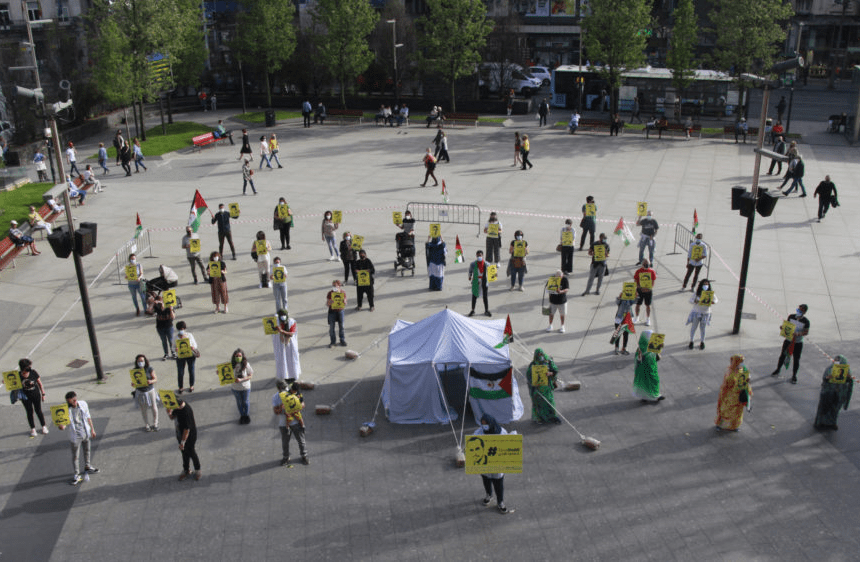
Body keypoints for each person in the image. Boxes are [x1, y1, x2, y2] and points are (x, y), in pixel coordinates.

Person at [471, 413, 511, 514]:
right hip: (485, 464)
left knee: (498, 483)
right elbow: (472, 443)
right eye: (483, 424)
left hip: (497, 464)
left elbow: (507, 445)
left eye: (486, 424)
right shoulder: (479, 432)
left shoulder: (502, 432)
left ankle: (500, 502)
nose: (484, 426)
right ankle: (489, 495)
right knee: (486, 480)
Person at [58, 391, 99, 486]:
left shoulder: (83, 404)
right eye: (70, 402)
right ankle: (76, 474)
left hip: (85, 432)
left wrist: (92, 430)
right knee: (75, 456)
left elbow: (88, 417)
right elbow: (64, 423)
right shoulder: (66, 410)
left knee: (87, 450)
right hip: (75, 436)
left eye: (74, 400)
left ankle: (88, 466)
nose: (73, 403)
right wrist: (62, 427)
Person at [771, 304, 810, 384]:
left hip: (798, 343)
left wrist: (798, 334)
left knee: (796, 359)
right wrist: (782, 328)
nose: (799, 311)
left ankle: (794, 375)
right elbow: (786, 326)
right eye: (798, 309)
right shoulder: (791, 317)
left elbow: (806, 332)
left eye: (801, 310)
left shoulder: (806, 321)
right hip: (788, 340)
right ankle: (778, 369)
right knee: (782, 355)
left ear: (804, 312)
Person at [273, 381, 309, 466]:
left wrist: (293, 410)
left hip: (296, 422)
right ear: (279, 389)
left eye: (286, 388)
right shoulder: (276, 397)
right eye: (283, 388)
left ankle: (304, 456)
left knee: (301, 441)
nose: (285, 390)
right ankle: (286, 457)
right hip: (283, 423)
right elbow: (276, 412)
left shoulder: (294, 393)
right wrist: (281, 409)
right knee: (285, 442)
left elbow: (303, 405)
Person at [814, 355, 853, 430]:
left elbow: (849, 382)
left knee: (835, 409)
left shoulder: (847, 371)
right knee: (824, 408)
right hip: (828, 392)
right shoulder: (829, 369)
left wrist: (848, 378)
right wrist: (828, 378)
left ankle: (832, 423)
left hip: (839, 394)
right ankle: (820, 422)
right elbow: (824, 379)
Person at [715, 355, 752, 431]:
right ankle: (720, 425)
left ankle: (734, 426)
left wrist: (747, 382)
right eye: (740, 361)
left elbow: (745, 381)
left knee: (737, 413)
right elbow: (726, 384)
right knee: (725, 411)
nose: (742, 363)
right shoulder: (730, 372)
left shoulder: (743, 370)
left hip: (738, 397)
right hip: (729, 396)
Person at [167, 399, 201, 481]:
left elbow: (187, 430)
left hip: (189, 436)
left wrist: (182, 443)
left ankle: (197, 470)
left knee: (191, 452)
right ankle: (186, 470)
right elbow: (172, 417)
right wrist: (169, 412)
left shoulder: (186, 412)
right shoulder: (177, 407)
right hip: (180, 433)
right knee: (184, 453)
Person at [526, 349, 561, 424]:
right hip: (538, 388)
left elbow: (555, 370)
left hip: (547, 387)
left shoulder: (548, 362)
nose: (540, 356)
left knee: (550, 402)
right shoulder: (533, 364)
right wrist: (533, 382)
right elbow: (529, 376)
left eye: (541, 354)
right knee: (539, 404)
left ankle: (552, 417)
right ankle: (540, 418)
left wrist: (550, 373)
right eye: (538, 355)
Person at [17, 358, 48, 437]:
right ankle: (33, 429)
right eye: (28, 366)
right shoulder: (18, 375)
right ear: (23, 368)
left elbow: (40, 383)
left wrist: (43, 394)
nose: (30, 368)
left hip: (36, 395)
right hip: (25, 397)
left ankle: (43, 426)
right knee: (29, 412)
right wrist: (5, 381)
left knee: (38, 410)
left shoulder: (33, 372)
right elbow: (11, 383)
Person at [633, 330, 664, 402]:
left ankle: (656, 395)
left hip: (652, 368)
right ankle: (644, 396)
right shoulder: (640, 349)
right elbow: (637, 359)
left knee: (654, 381)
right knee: (644, 383)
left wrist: (660, 349)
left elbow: (657, 357)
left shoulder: (653, 344)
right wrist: (639, 356)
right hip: (643, 370)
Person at [686, 279, 717, 350]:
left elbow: (716, 300)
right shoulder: (697, 293)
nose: (706, 285)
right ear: (701, 285)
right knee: (694, 327)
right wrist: (695, 301)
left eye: (707, 284)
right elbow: (690, 300)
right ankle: (691, 341)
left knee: (703, 328)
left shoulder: (710, 293)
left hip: (706, 313)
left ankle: (702, 342)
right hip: (697, 312)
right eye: (704, 284)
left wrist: (713, 302)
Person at [131, 354, 158, 431]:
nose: (140, 362)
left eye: (142, 361)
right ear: (136, 362)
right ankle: (147, 424)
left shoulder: (149, 369)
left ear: (145, 361)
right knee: (143, 409)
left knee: (154, 407)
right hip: (140, 392)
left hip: (150, 390)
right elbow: (134, 381)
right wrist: (133, 384)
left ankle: (155, 423)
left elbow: (155, 379)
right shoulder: (135, 370)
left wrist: (151, 381)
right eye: (139, 361)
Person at [273, 309, 301, 383]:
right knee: (282, 360)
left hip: (290, 345)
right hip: (280, 345)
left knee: (291, 360)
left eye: (284, 315)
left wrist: (281, 331)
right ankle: (284, 375)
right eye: (281, 315)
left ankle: (293, 376)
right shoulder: (276, 322)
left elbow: (291, 334)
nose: (283, 317)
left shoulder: (292, 322)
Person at [229, 348, 253, 424]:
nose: (238, 357)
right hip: (235, 388)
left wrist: (241, 379)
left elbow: (250, 375)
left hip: (245, 387)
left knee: (245, 402)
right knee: (239, 402)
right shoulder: (231, 365)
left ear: (242, 356)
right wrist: (219, 372)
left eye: (239, 356)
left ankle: (246, 415)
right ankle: (242, 416)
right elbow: (225, 375)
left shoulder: (246, 364)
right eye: (236, 356)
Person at [173, 321, 199, 393]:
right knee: (180, 372)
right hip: (180, 356)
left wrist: (192, 347)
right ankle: (181, 387)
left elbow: (195, 344)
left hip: (190, 355)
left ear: (184, 328)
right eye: (179, 329)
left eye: (182, 329)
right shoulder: (175, 338)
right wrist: (175, 349)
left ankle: (191, 385)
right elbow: (172, 347)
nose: (181, 330)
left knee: (191, 370)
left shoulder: (189, 335)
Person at [468, 250, 491, 317]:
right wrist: (470, 276)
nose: (479, 257)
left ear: (482, 256)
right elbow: (470, 271)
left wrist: (494, 275)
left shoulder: (486, 264)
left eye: (480, 255)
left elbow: (491, 271)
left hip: (484, 281)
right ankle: (473, 310)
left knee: (485, 296)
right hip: (476, 281)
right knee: (474, 296)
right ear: (476, 256)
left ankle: (486, 310)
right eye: (478, 256)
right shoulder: (473, 264)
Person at [633, 259, 657, 326]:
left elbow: (653, 282)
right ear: (642, 264)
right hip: (640, 290)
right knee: (638, 304)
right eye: (645, 264)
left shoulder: (652, 271)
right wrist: (638, 289)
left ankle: (648, 319)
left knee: (648, 305)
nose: (646, 265)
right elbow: (635, 281)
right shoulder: (638, 271)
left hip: (648, 291)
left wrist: (649, 288)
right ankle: (637, 317)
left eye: (647, 264)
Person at [153, 295, 176, 361]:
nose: (161, 303)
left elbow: (173, 317)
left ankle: (173, 353)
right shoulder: (156, 307)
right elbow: (150, 310)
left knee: (171, 340)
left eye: (161, 301)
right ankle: (166, 354)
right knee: (164, 341)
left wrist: (171, 309)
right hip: (160, 327)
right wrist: (154, 303)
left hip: (169, 326)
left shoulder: (169, 306)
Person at [326, 280, 348, 347]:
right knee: (331, 328)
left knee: (342, 327)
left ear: (339, 286)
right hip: (332, 312)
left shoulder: (342, 292)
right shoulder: (330, 293)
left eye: (335, 285)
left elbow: (345, 302)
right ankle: (333, 342)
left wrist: (344, 301)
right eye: (333, 285)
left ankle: (342, 340)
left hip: (340, 311)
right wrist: (330, 302)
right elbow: (327, 304)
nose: (334, 287)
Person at [613, 289, 633, 355]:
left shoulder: (630, 300)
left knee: (626, 334)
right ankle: (616, 348)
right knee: (618, 334)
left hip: (627, 319)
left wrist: (636, 295)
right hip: (619, 319)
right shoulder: (621, 300)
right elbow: (617, 302)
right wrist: (620, 297)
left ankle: (624, 348)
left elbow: (635, 301)